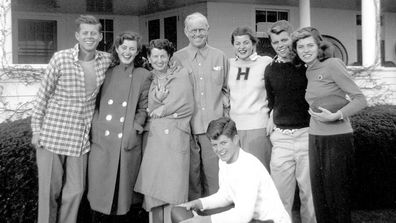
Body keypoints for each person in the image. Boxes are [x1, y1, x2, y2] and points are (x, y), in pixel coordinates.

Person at [30, 15, 112, 223]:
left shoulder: (106, 61)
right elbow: (42, 96)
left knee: (76, 191)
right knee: (49, 192)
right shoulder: (60, 58)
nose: (89, 37)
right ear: (77, 35)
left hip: (80, 139)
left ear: (100, 36)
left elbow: (129, 62)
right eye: (85, 33)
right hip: (52, 135)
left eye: (94, 33)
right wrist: (36, 131)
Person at [291, 27, 367, 223]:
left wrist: (337, 115)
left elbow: (360, 99)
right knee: (320, 196)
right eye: (300, 46)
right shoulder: (308, 70)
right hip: (315, 137)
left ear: (319, 46)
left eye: (310, 45)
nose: (305, 50)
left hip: (337, 138)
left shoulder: (332, 64)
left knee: (337, 197)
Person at [87, 31, 152, 222]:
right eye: (124, 47)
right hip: (103, 140)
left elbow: (143, 108)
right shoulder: (105, 73)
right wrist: (96, 127)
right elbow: (94, 103)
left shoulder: (144, 75)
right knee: (100, 193)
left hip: (126, 140)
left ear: (137, 51)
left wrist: (135, 128)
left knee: (123, 198)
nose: (127, 52)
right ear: (117, 49)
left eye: (132, 48)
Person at [178, 117, 291, 223]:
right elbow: (225, 195)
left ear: (236, 139)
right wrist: (199, 203)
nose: (219, 150)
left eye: (223, 143)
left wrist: (204, 220)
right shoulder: (223, 161)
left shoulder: (248, 167)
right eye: (214, 145)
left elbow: (243, 216)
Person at [134, 39, 194, 223]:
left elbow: (186, 105)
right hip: (153, 139)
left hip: (175, 137)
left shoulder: (181, 74)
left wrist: (163, 108)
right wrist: (159, 103)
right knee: (153, 189)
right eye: (155, 56)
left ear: (169, 57)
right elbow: (145, 106)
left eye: (163, 56)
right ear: (149, 58)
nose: (159, 60)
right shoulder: (148, 77)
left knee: (173, 187)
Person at [173, 12, 230, 201]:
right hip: (186, 128)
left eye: (201, 29)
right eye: (193, 30)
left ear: (208, 30)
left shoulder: (220, 56)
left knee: (215, 179)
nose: (197, 34)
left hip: (214, 129)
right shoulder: (177, 58)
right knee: (191, 179)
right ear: (186, 32)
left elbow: (227, 89)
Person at [264, 20, 316, 223]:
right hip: (281, 140)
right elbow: (272, 101)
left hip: (306, 136)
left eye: (284, 39)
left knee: (309, 195)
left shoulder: (305, 65)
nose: (280, 45)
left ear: (292, 38)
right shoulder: (270, 69)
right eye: (275, 41)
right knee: (279, 197)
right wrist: (271, 117)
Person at [228, 26, 272, 171]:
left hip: (258, 126)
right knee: (238, 172)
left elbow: (276, 91)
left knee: (259, 171)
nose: (242, 47)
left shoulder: (266, 62)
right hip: (234, 128)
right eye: (237, 43)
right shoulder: (228, 64)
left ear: (253, 44)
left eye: (246, 43)